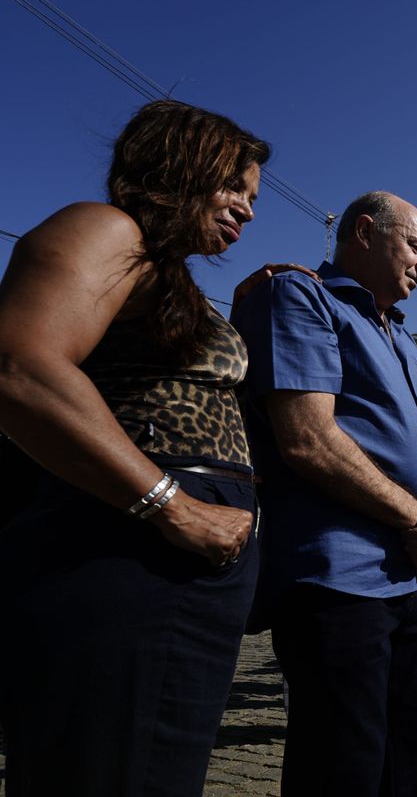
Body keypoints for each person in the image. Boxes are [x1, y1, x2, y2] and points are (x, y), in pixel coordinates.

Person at [0, 100, 268, 795]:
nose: (246, 208)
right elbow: (19, 367)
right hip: (131, 549)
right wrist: (174, 508)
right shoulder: (103, 227)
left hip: (176, 562)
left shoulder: (160, 269)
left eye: (252, 196)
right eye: (233, 186)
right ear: (183, 167)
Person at [233, 191, 417, 796]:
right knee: (345, 763)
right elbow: (307, 440)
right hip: (339, 579)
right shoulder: (301, 296)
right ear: (364, 232)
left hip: (416, 575)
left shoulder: (406, 339)